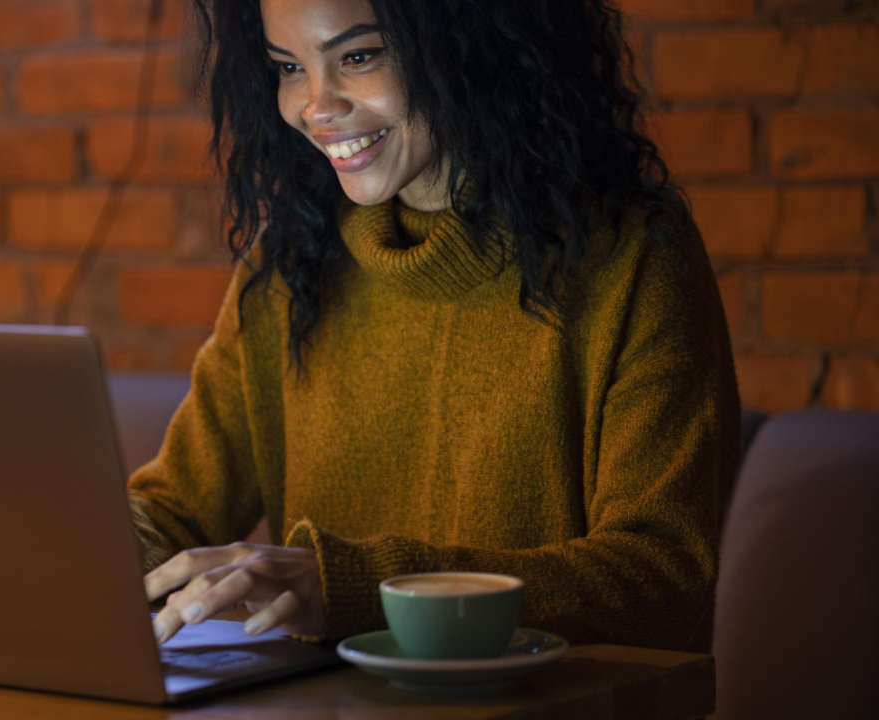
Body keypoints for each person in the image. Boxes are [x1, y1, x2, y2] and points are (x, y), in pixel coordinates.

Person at [128, 0, 740, 652]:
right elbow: (173, 512)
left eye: (358, 56)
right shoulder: (289, 268)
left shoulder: (631, 257)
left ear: (468, 45)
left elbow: (664, 576)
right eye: (288, 67)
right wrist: (47, 547)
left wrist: (355, 590)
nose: (315, 105)